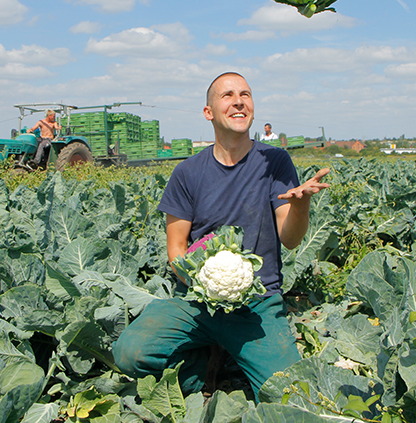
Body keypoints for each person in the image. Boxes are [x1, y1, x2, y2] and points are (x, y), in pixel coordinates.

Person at [112, 72, 329, 400]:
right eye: (227, 95)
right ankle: (199, 370)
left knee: (290, 397)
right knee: (128, 353)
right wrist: (205, 283)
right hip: (197, 303)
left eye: (246, 94)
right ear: (208, 112)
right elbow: (176, 250)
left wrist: (301, 206)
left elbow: (291, 239)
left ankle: (228, 354)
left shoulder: (275, 161)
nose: (239, 101)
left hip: (257, 305)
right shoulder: (187, 173)